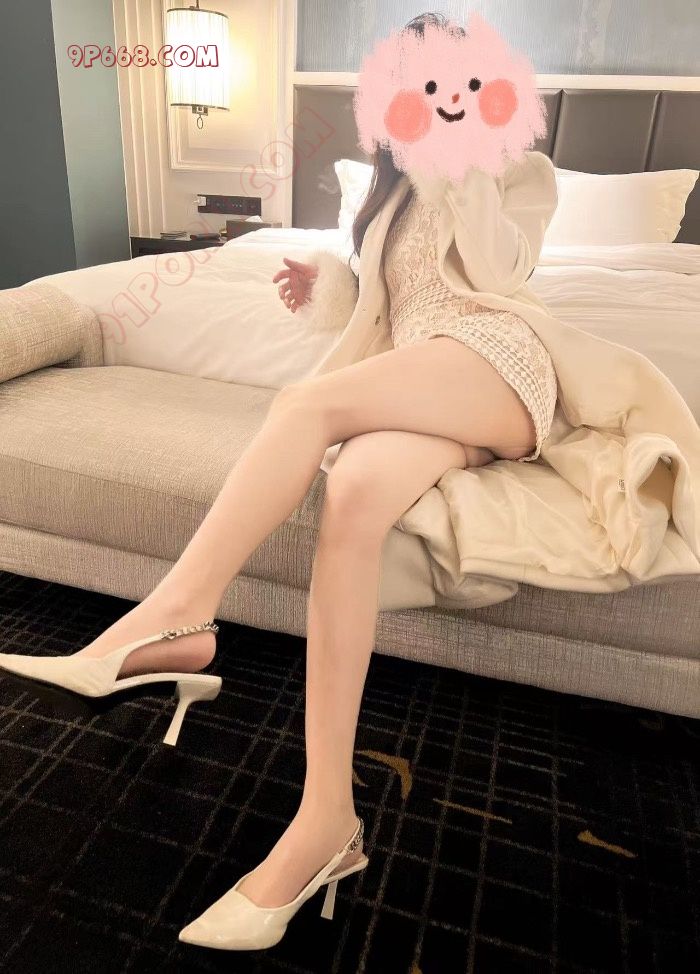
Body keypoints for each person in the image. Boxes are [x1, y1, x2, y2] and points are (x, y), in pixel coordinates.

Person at [0, 11, 560, 952]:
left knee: (303, 407)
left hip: (497, 366)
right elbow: (384, 307)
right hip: (417, 379)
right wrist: (326, 286)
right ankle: (326, 821)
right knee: (353, 495)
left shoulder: (516, 170)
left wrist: (458, 154)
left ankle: (171, 617)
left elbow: (502, 271)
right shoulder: (384, 198)